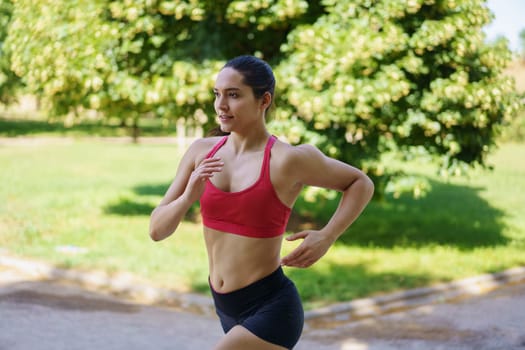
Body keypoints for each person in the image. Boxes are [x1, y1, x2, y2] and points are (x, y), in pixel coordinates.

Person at [149, 55, 374, 350]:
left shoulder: (287, 159)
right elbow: (157, 230)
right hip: (227, 308)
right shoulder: (201, 152)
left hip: (272, 308)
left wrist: (327, 235)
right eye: (217, 94)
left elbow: (360, 183)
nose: (221, 105)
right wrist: (189, 196)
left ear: (263, 100)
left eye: (233, 95)